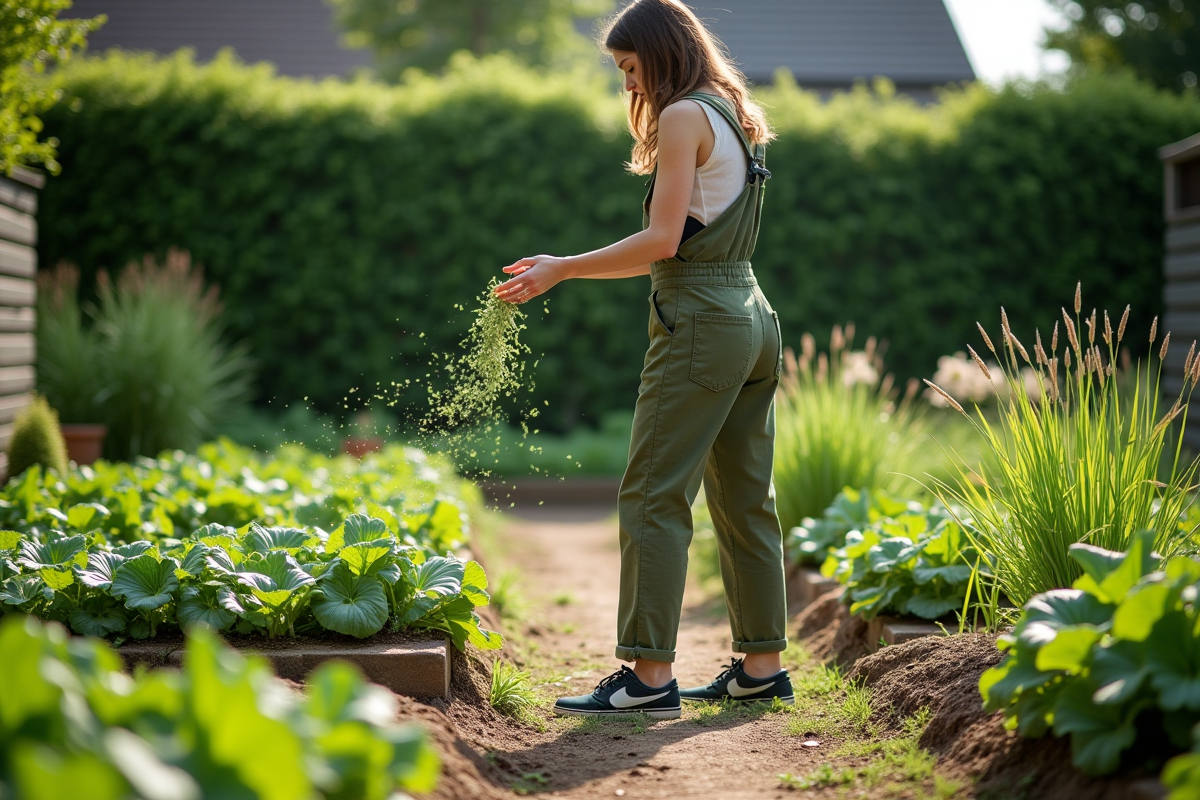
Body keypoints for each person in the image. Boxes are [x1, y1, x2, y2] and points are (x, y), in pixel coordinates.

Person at [494, 0, 791, 719]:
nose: (628, 85)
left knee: (654, 494)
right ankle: (761, 667)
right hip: (752, 314)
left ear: (660, 54)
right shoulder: (732, 108)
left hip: (700, 320)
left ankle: (648, 678)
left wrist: (563, 266)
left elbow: (663, 240)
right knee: (747, 500)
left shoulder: (686, 114)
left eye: (631, 68)